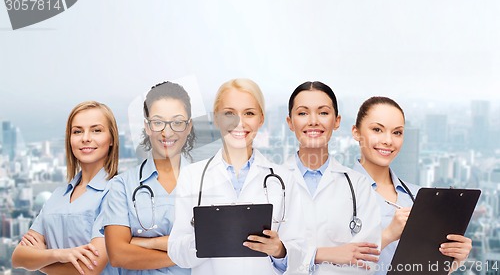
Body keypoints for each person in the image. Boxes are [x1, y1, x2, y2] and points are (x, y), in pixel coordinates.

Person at [168, 78, 305, 275]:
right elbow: (177, 253)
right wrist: (204, 239)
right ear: (216, 118)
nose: (239, 122)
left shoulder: (283, 179)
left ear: (261, 119)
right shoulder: (192, 177)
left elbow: (299, 253)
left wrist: (280, 250)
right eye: (229, 113)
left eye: (249, 113)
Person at [351, 96, 472, 274]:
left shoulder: (417, 196)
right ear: (356, 132)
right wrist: (388, 235)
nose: (388, 141)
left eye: (397, 132)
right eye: (377, 129)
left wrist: (453, 261)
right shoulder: (335, 191)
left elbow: (423, 267)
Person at [284, 81, 381, 274]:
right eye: (303, 113)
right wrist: (326, 254)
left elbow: (366, 262)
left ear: (336, 121)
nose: (313, 121)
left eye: (323, 113)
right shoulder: (271, 184)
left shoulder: (358, 186)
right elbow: (263, 261)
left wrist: (295, 258)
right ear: (290, 123)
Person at [11, 101, 120, 275]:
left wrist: (40, 260)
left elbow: (89, 268)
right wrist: (60, 254)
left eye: (96, 130)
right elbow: (18, 257)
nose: (85, 138)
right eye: (77, 131)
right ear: (70, 140)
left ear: (112, 139)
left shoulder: (117, 193)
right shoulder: (57, 195)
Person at [102, 81, 195, 274]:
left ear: (188, 127)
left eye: (177, 123)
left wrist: (146, 243)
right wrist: (185, 254)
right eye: (158, 122)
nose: (167, 132)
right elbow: (118, 255)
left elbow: (214, 245)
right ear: (147, 126)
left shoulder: (207, 183)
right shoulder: (122, 186)